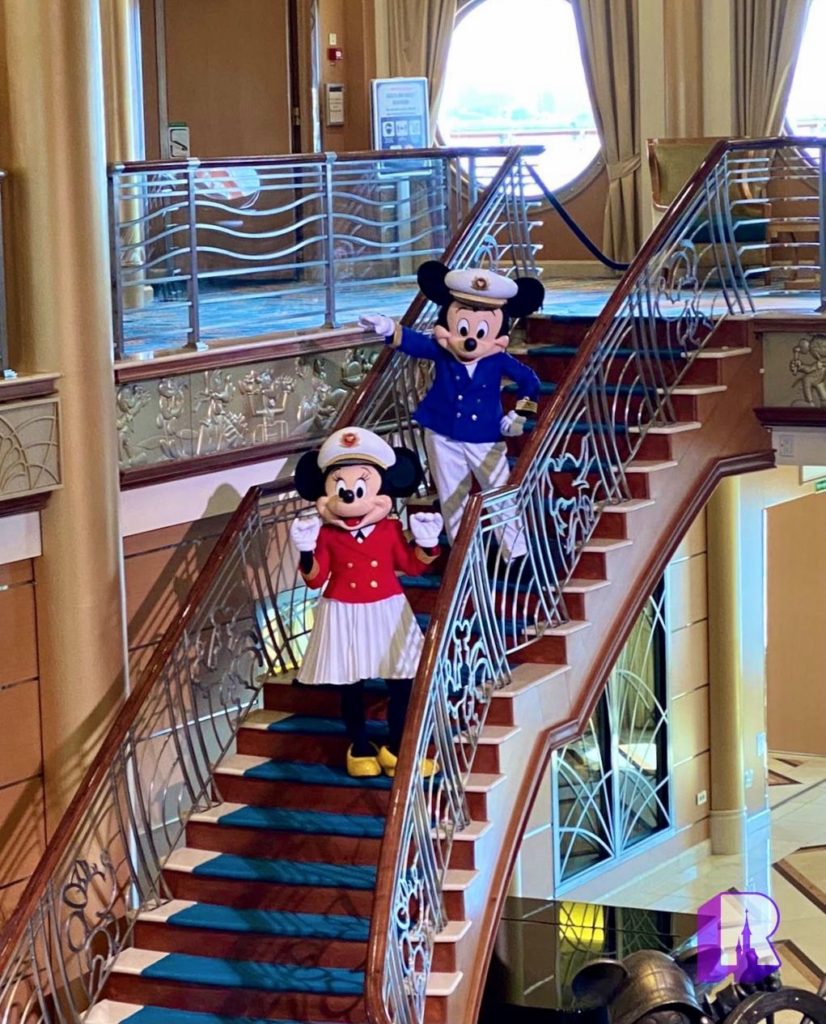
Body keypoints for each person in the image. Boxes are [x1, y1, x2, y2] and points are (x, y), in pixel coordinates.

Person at [360, 260, 544, 559]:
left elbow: (530, 381)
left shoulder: (498, 361)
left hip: (485, 436)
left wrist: (520, 414)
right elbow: (416, 343)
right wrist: (390, 328)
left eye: (481, 331)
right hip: (442, 432)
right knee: (452, 496)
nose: (470, 340)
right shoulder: (443, 352)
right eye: (463, 328)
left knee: (499, 492)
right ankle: (465, 556)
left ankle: (516, 553)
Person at [289, 426, 442, 778]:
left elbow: (412, 565)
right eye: (340, 488)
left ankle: (396, 747)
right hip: (343, 610)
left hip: (387, 609)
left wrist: (428, 544)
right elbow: (315, 579)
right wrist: (307, 551)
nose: (350, 498)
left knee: (402, 680)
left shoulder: (389, 529)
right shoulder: (326, 534)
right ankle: (358, 746)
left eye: (360, 487)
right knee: (351, 683)